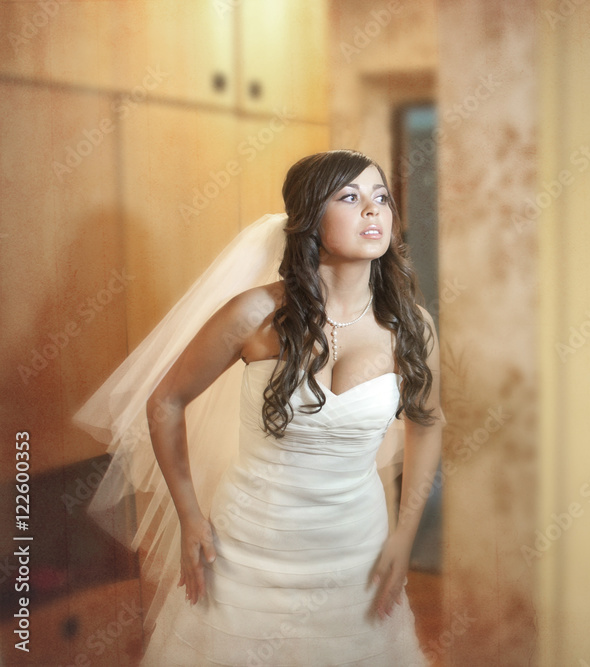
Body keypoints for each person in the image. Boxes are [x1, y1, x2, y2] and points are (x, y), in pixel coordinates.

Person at [76, 150, 442, 665]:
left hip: (356, 550)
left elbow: (427, 427)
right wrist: (190, 517)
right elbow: (166, 401)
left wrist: (405, 536)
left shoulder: (411, 327)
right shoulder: (255, 314)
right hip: (247, 549)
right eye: (350, 198)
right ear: (310, 217)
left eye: (381, 198)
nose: (373, 212)